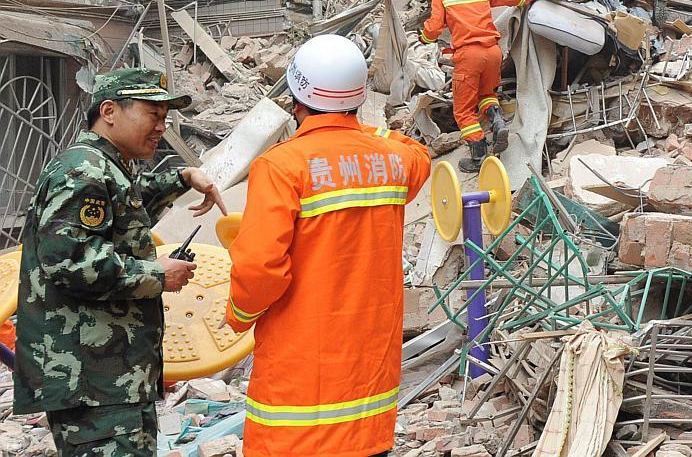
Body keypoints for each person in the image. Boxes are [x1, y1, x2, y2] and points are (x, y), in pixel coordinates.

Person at [226, 34, 432, 457]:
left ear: (296, 95)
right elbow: (418, 154)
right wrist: (367, 129)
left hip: (299, 400)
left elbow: (259, 268)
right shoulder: (393, 161)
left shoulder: (281, 166)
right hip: (369, 393)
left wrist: (238, 316)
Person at [13, 69, 227, 456]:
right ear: (109, 111)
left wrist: (182, 179)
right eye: (153, 114)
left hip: (110, 377)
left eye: (165, 117)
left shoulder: (105, 167)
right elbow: (70, 262)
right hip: (92, 379)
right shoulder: (83, 171)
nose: (162, 126)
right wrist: (157, 274)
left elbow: (124, 207)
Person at [421, 0, 535, 172]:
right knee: (487, 95)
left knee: (463, 111)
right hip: (493, 52)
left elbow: (433, 30)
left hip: (468, 55)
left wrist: (423, 37)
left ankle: (478, 155)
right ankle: (497, 121)